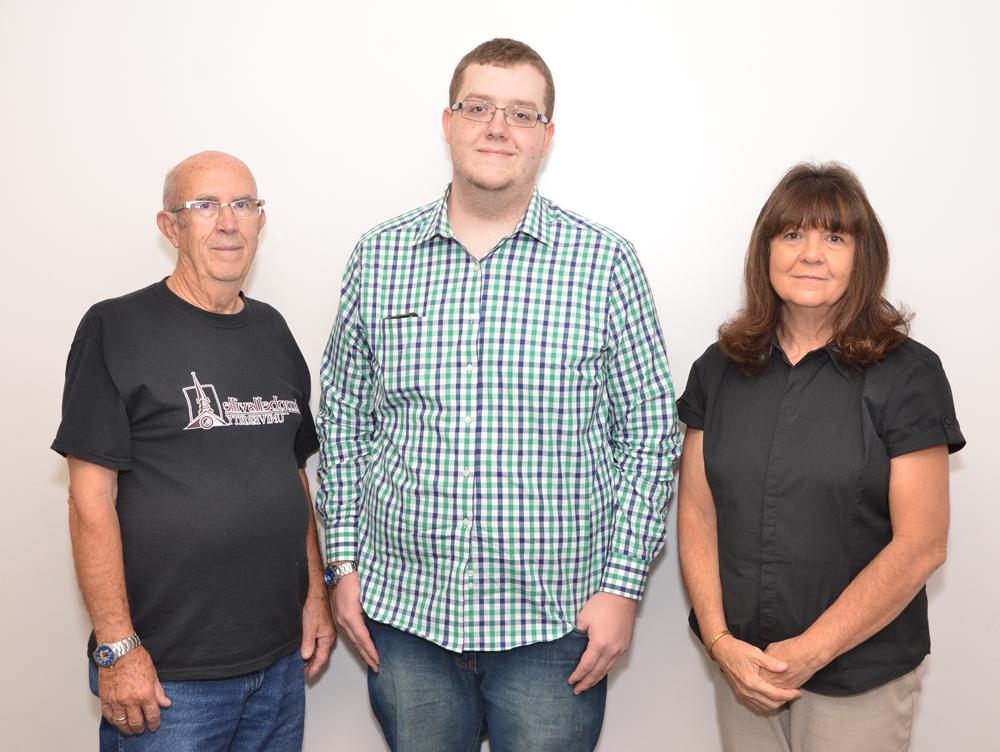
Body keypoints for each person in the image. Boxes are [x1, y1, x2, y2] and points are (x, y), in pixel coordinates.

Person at [317, 38, 678, 752]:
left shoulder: (605, 263)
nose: (497, 127)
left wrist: (623, 587)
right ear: (447, 122)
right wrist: (343, 566)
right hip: (405, 616)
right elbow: (346, 424)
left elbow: (651, 435)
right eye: (478, 107)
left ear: (547, 136)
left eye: (521, 113)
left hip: (555, 623)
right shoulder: (379, 257)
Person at [676, 162, 965, 752]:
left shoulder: (909, 375)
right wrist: (719, 640)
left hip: (859, 680)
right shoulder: (718, 369)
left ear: (864, 257)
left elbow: (921, 545)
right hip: (744, 675)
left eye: (834, 237)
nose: (811, 254)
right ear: (766, 250)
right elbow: (699, 516)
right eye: (792, 234)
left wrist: (807, 653)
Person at [52, 151, 334, 751]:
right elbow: (89, 499)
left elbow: (292, 475)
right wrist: (118, 646)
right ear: (168, 225)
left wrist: (315, 595)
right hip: (169, 677)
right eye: (203, 205)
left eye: (243, 204)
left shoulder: (273, 332)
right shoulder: (116, 327)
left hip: (279, 663)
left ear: (261, 220)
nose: (227, 221)